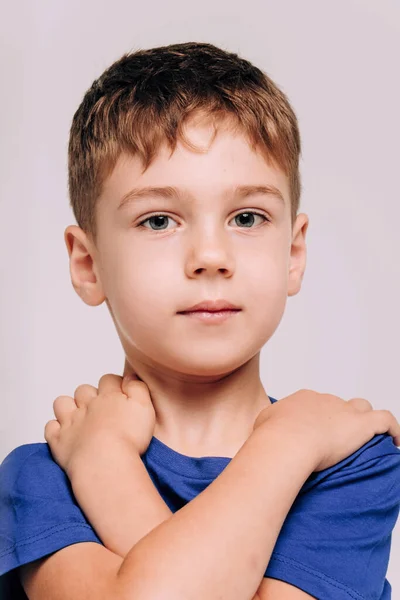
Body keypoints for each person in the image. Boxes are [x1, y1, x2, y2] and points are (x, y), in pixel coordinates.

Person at [1, 41, 400, 599]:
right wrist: (288, 442)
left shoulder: (349, 468)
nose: (211, 256)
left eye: (246, 216)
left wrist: (105, 468)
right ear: (88, 264)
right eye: (159, 220)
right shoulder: (42, 478)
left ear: (293, 252)